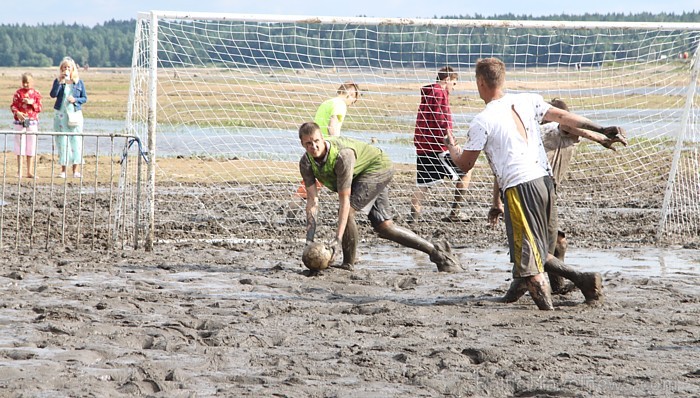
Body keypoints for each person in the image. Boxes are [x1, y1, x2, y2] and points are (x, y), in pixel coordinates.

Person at [446, 57, 626, 310]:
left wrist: (452, 148)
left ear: (480, 82)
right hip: (545, 182)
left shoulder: (482, 120)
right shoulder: (527, 100)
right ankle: (572, 282)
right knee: (538, 249)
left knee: (531, 260)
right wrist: (602, 128)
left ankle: (557, 303)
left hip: (520, 188)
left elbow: (465, 165)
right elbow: (563, 116)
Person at [489, 98, 627, 294]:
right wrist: (600, 138)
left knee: (552, 244)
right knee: (536, 248)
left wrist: (601, 138)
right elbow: (565, 126)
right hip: (525, 193)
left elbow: (570, 128)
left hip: (541, 193)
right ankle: (535, 285)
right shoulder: (546, 132)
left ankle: (561, 284)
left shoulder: (559, 134)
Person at [298, 121, 462, 273]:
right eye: (308, 143)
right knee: (385, 227)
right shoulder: (306, 163)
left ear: (322, 138)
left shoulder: (342, 156)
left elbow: (345, 200)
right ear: (302, 144)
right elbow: (312, 201)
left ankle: (348, 264)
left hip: (377, 168)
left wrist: (337, 240)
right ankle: (438, 254)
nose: (314, 146)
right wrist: (309, 240)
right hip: (359, 175)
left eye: (316, 141)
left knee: (347, 212)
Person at [289, 82, 361, 222]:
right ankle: (348, 216)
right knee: (347, 181)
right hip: (325, 152)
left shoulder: (327, 103)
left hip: (315, 148)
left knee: (308, 186)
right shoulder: (340, 104)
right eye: (354, 99)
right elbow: (332, 125)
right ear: (350, 94)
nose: (352, 103)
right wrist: (337, 145)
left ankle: (290, 216)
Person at [411, 66, 472, 223]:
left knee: (423, 183)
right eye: (454, 83)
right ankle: (455, 213)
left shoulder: (428, 93)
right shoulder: (440, 93)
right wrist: (451, 143)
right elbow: (441, 119)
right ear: (447, 80)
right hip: (438, 147)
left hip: (423, 146)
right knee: (466, 170)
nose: (454, 88)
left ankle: (413, 219)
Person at [50, 56, 87, 178]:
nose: (66, 69)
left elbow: (84, 98)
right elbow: (53, 94)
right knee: (62, 141)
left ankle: (75, 170)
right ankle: (63, 170)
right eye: (64, 67)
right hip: (61, 115)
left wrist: (75, 100)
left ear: (73, 69)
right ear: (61, 69)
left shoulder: (79, 82)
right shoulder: (58, 81)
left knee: (76, 141)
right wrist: (60, 82)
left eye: (69, 67)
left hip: (75, 114)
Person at [10, 72, 43, 179]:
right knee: (20, 145)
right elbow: (13, 106)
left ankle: (29, 171)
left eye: (27, 83)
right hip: (20, 122)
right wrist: (17, 113)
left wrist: (31, 103)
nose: (25, 85)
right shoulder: (18, 93)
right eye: (24, 83)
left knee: (31, 145)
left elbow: (39, 108)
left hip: (32, 121)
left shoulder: (36, 94)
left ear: (32, 82)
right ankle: (19, 171)